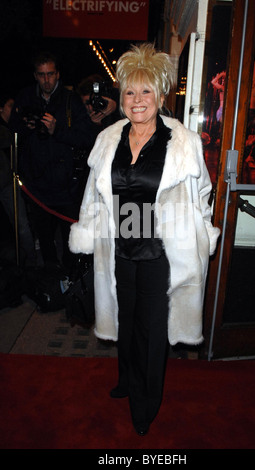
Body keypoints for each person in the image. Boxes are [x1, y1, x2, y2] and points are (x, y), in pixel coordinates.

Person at [69, 43, 220, 436]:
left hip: (161, 251)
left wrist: (202, 234)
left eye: (146, 92)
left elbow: (202, 193)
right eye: (130, 92)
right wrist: (87, 231)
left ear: (161, 94)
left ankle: (145, 401)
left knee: (151, 329)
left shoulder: (184, 142)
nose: (137, 101)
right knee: (124, 316)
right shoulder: (108, 140)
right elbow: (92, 193)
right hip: (118, 246)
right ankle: (126, 378)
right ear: (121, 97)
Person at [9, 52, 95, 272]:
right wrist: (26, 127)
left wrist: (57, 130)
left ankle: (69, 284)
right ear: (35, 75)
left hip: (66, 187)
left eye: (50, 74)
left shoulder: (71, 100)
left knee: (69, 243)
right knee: (45, 242)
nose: (46, 80)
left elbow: (86, 138)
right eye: (41, 75)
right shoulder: (26, 97)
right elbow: (14, 128)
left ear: (58, 74)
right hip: (37, 186)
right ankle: (50, 283)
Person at [0, 93, 36, 267]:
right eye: (10, 107)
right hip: (6, 182)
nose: (14, 111)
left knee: (21, 226)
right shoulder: (6, 129)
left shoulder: (13, 129)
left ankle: (30, 263)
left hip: (8, 183)